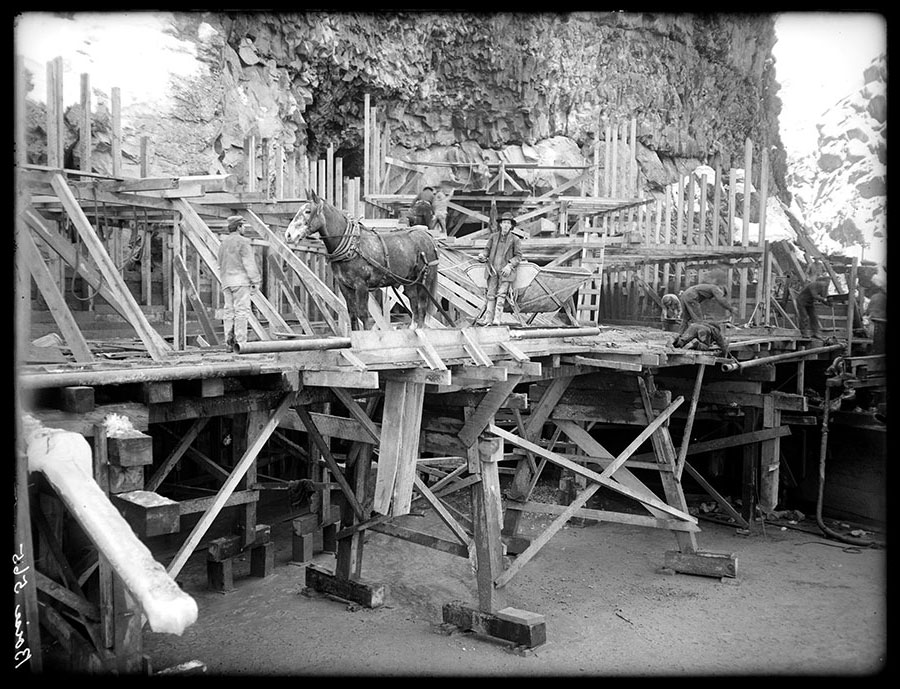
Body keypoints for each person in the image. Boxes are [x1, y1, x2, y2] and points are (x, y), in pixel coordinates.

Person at [217, 215, 261, 351]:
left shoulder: (223, 243)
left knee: (229, 312)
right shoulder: (243, 242)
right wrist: (255, 280)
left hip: (226, 281)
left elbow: (219, 262)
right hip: (240, 281)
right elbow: (249, 263)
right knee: (241, 312)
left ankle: (229, 344)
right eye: (243, 226)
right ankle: (240, 343)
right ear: (238, 227)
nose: (244, 228)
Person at [475, 211, 523, 325]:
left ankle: (497, 319)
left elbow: (518, 256)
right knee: (490, 295)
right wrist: (483, 255)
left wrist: (510, 265)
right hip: (492, 271)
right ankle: (488, 319)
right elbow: (487, 249)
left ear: (511, 226)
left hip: (505, 273)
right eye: (504, 222)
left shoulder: (515, 240)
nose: (506, 225)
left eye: (508, 223)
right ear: (500, 224)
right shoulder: (493, 237)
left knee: (501, 295)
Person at [864, 283, 886, 354]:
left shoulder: (874, 297)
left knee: (872, 338)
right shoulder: (883, 297)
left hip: (874, 321)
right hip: (881, 321)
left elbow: (867, 311)